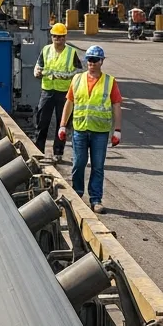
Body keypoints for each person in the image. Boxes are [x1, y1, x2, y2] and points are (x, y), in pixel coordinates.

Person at [57, 44, 122, 213]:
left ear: (101, 61)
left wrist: (117, 130)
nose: (91, 63)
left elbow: (116, 105)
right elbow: (69, 103)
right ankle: (77, 194)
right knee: (78, 163)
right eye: (89, 60)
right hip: (80, 129)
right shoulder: (77, 79)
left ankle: (96, 199)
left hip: (99, 131)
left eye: (95, 60)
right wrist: (63, 125)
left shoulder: (110, 82)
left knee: (98, 166)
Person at [33, 23, 81, 163]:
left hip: (64, 93)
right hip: (47, 91)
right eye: (55, 37)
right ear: (51, 37)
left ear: (65, 38)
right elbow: (39, 66)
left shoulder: (71, 52)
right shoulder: (46, 50)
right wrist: (37, 71)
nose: (58, 40)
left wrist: (68, 76)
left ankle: (58, 152)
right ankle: (38, 151)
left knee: (63, 124)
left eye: (61, 37)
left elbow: (79, 71)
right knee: (42, 122)